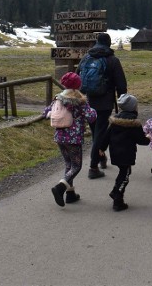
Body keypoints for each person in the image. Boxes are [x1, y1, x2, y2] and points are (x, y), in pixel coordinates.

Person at [42, 72, 97, 207]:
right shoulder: (79, 101)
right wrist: (93, 110)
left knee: (68, 164)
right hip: (74, 138)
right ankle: (60, 187)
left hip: (60, 137)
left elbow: (45, 113)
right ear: (78, 85)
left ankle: (70, 194)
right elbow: (91, 117)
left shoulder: (57, 98)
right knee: (76, 166)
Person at [80, 32, 128, 180]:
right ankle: (93, 167)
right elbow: (121, 84)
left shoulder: (86, 58)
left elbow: (77, 76)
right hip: (105, 102)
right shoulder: (112, 60)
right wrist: (122, 101)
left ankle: (101, 158)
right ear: (108, 43)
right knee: (99, 134)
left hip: (88, 101)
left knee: (96, 133)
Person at [97, 93, 150, 211]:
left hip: (115, 152)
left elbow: (106, 136)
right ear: (133, 108)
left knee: (123, 172)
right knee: (125, 176)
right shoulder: (134, 124)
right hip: (127, 153)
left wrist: (102, 148)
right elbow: (141, 140)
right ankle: (117, 194)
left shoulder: (114, 122)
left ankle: (118, 197)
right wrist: (148, 138)